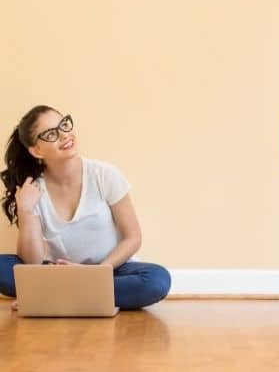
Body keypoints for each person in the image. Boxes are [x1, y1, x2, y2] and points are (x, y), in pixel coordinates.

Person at [0, 105, 171, 310]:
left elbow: (133, 237)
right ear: (36, 150)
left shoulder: (104, 175)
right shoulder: (34, 190)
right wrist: (25, 211)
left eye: (64, 124)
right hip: (60, 274)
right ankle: (79, 295)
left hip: (112, 269)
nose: (64, 135)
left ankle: (56, 297)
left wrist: (96, 273)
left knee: (157, 280)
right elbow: (32, 263)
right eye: (51, 134)